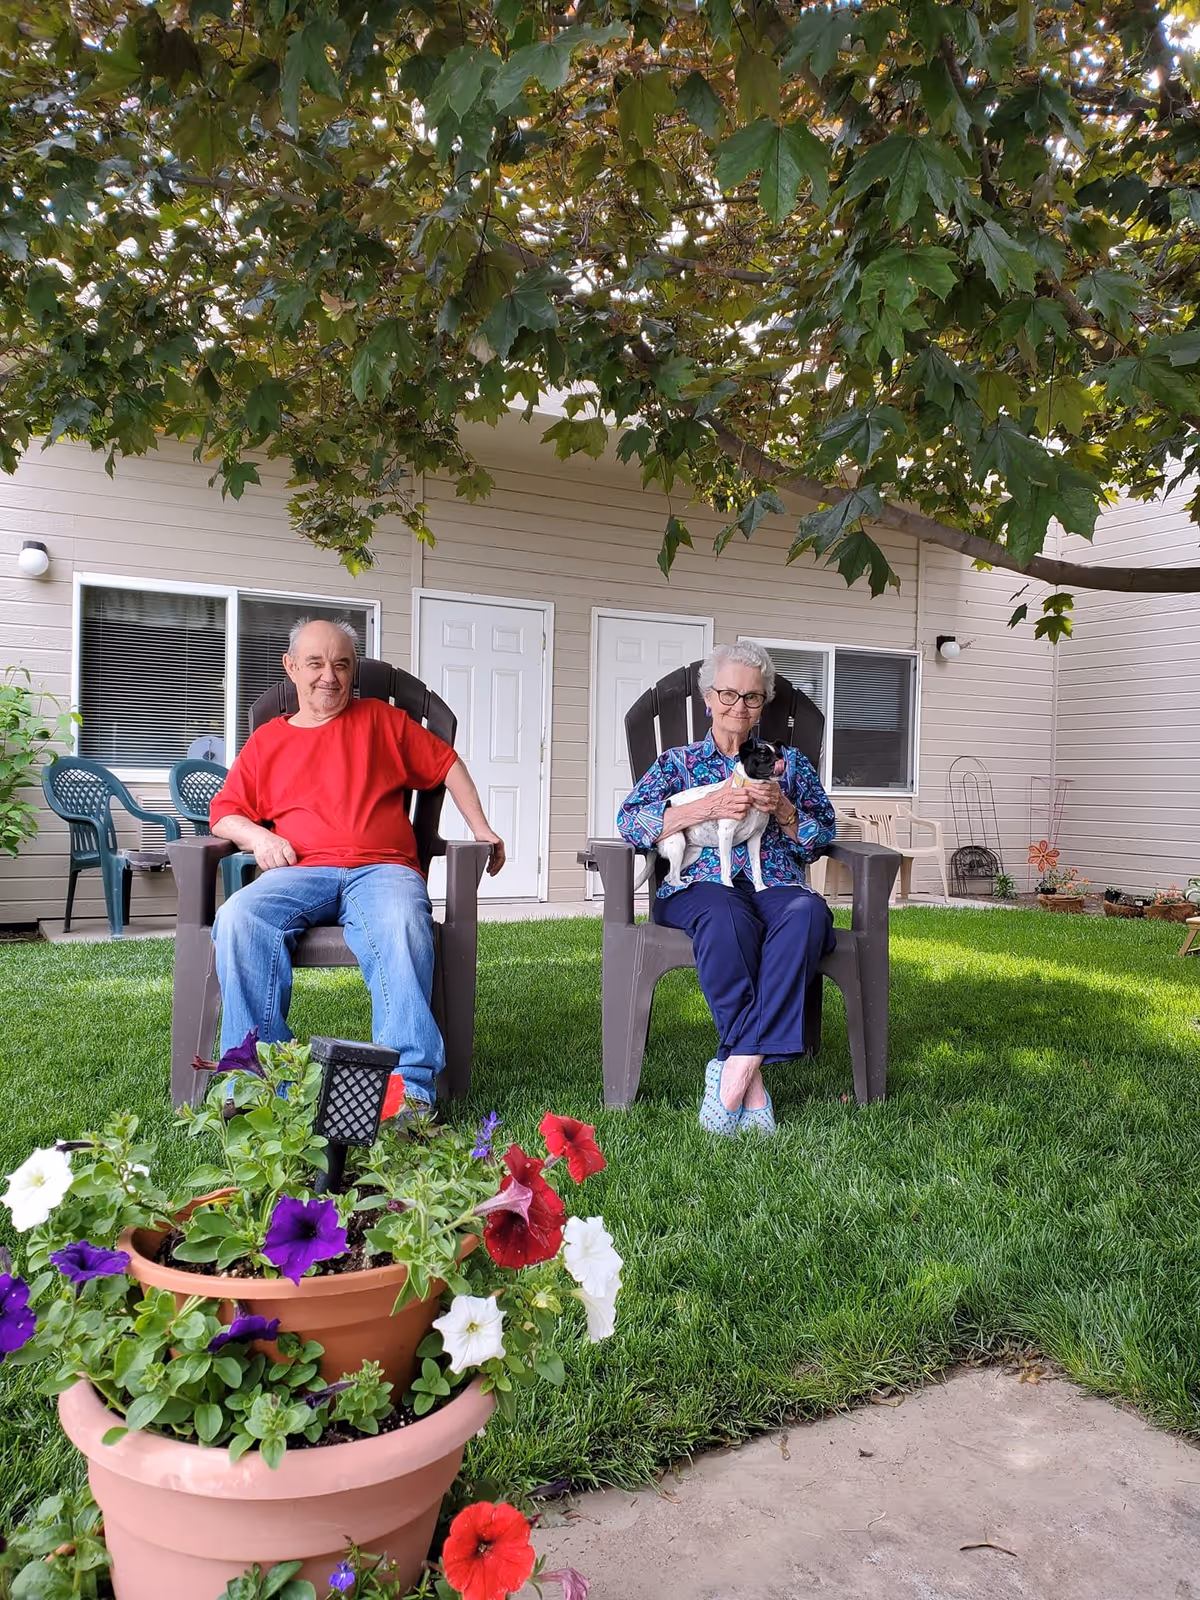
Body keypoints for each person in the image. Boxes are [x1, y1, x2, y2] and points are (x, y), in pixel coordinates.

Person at [209, 618, 505, 1109]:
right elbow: (224, 813)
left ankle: (406, 1094)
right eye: (315, 664)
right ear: (291, 668)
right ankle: (259, 1088)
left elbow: (446, 764)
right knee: (239, 916)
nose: (329, 676)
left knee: (401, 922)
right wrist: (257, 836)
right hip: (298, 871)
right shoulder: (267, 742)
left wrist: (482, 828)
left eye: (341, 665)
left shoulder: (382, 721)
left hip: (382, 870)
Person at [616, 640, 836, 1136]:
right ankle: (752, 1086)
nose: (740, 705)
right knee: (726, 916)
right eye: (728, 694)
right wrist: (707, 807)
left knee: (806, 915)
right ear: (708, 699)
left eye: (752, 696)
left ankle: (735, 1071)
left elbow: (823, 834)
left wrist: (785, 810)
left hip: (773, 882)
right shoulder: (677, 763)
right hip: (698, 884)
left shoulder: (788, 765)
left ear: (763, 703)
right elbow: (630, 821)